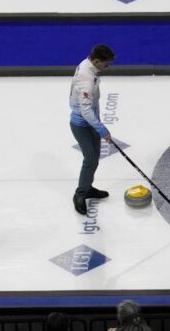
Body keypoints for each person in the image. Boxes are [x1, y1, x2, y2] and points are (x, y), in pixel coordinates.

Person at [69, 43, 114, 215]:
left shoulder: (88, 65)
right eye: (105, 63)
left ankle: (88, 187)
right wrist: (102, 130)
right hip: (81, 125)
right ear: (96, 61)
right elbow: (86, 111)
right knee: (90, 159)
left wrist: (98, 123)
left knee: (94, 158)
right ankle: (80, 194)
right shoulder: (86, 79)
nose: (107, 66)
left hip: (92, 122)